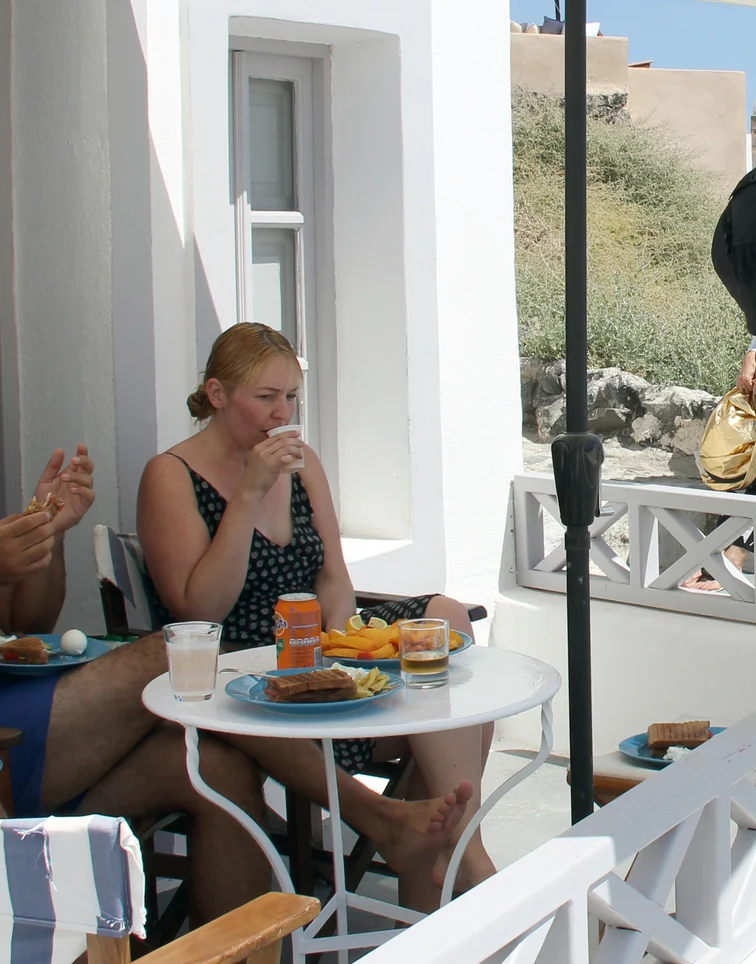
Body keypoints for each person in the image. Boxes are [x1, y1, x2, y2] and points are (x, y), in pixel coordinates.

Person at [0, 323, 468, 925]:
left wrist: (48, 538)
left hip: (20, 706)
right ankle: (378, 819)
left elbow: (27, 623)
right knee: (183, 654)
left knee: (218, 766)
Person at [137, 324, 495, 902]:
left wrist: (343, 652)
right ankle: (459, 859)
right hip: (240, 667)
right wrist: (248, 495)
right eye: (266, 398)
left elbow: (332, 575)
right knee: (446, 726)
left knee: (445, 616)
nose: (282, 413)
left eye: (292, 398)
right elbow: (199, 607)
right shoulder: (171, 475)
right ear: (218, 393)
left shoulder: (301, 464)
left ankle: (455, 844)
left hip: (317, 651)